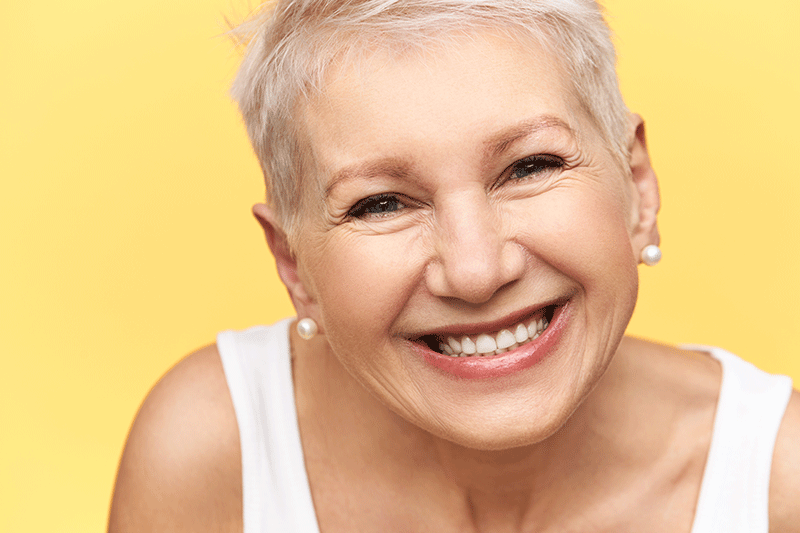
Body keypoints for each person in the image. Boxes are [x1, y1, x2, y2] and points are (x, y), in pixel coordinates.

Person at [108, 1, 800, 531]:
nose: (475, 272)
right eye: (380, 204)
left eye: (530, 166)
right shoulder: (210, 453)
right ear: (293, 264)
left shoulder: (781, 482)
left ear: (637, 185)